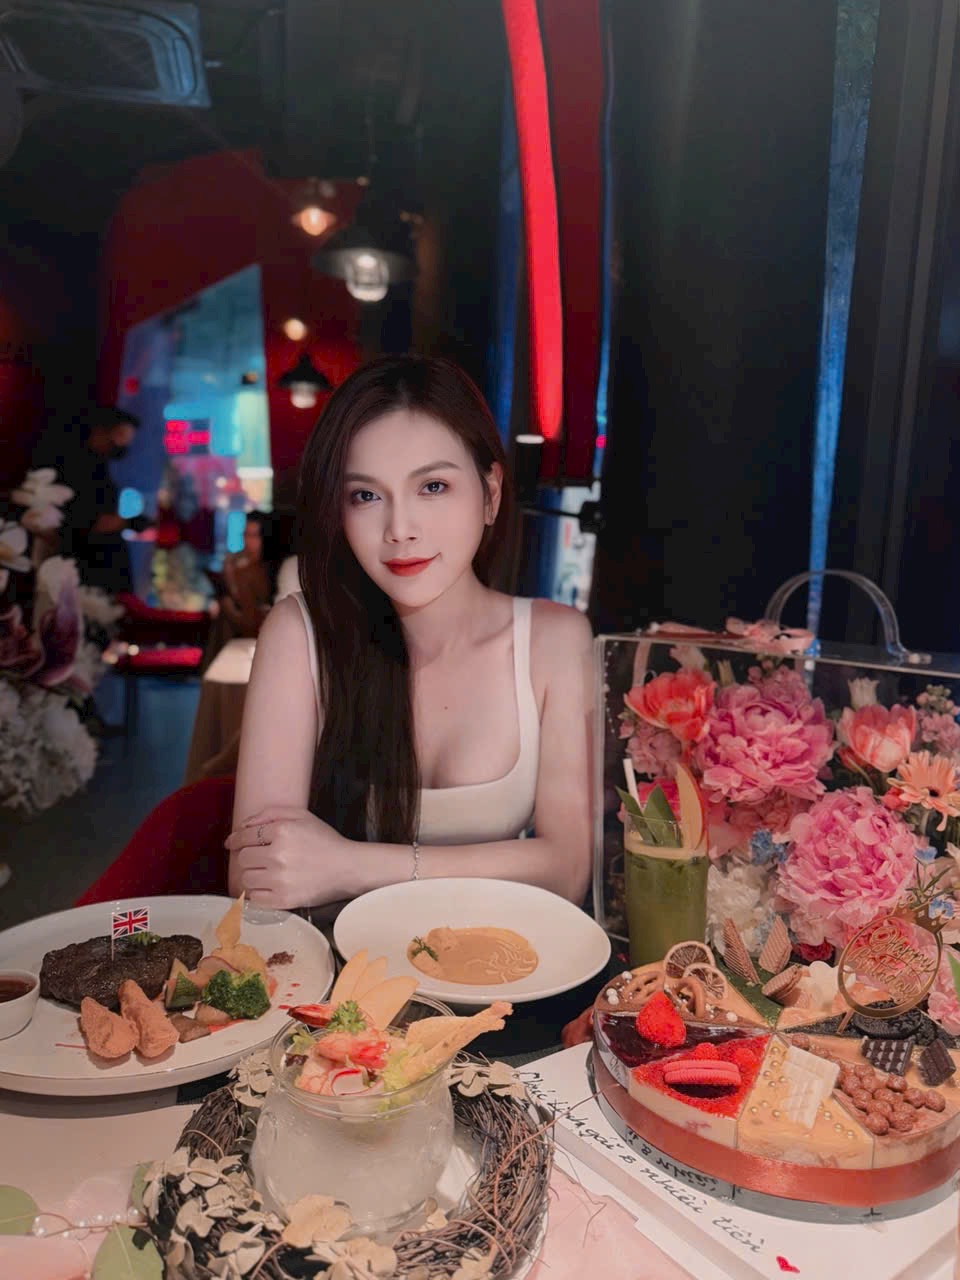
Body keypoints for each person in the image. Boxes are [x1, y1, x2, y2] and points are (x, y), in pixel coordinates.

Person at [225, 355, 593, 913]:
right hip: (336, 964)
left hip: (502, 957)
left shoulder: (555, 642)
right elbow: (256, 875)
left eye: (434, 486)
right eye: (365, 496)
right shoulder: (300, 634)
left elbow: (567, 871)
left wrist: (347, 865)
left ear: (490, 493)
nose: (400, 530)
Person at [37, 406, 144, 594]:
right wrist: (116, 522)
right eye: (119, 435)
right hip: (78, 547)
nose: (119, 445)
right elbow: (81, 517)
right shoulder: (72, 457)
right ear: (102, 428)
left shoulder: (99, 467)